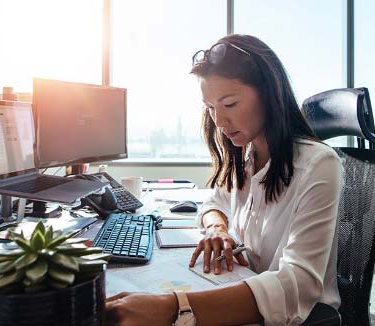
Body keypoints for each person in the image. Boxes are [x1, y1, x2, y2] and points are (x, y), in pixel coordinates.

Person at [106, 34, 342, 326]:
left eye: (229, 104)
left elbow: (299, 284)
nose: (219, 121)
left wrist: (173, 307)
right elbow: (214, 202)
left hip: (294, 316)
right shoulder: (245, 155)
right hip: (243, 288)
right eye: (210, 108)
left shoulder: (319, 164)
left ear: (270, 93)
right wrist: (218, 228)